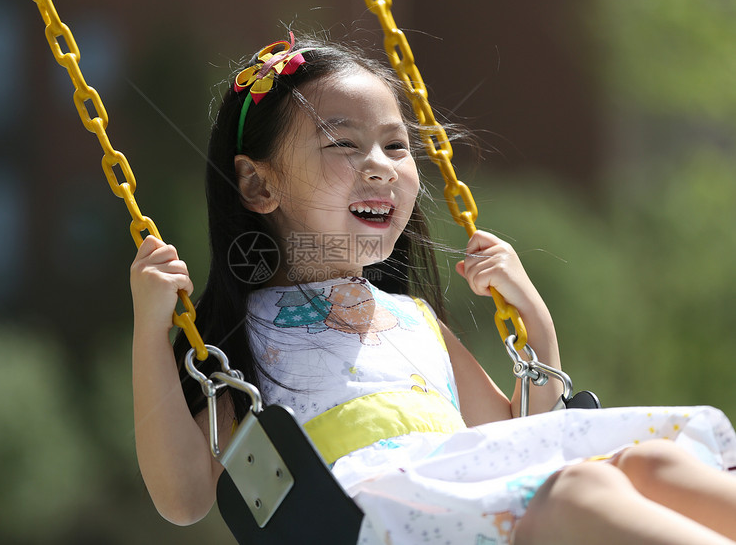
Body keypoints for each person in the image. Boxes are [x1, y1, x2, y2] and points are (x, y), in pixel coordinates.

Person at [129, 32, 736, 544]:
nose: (381, 164)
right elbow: (183, 498)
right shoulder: (236, 343)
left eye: (396, 145)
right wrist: (150, 330)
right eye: (344, 143)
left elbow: (515, 440)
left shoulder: (414, 320)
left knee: (651, 462)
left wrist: (539, 331)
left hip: (469, 494)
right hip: (378, 518)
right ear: (261, 187)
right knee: (584, 487)